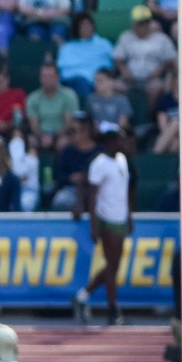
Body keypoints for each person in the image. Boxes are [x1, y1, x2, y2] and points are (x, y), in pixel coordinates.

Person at [70, 124, 131, 325]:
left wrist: (129, 216)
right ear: (110, 143)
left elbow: (124, 191)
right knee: (112, 265)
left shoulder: (122, 160)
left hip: (120, 217)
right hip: (106, 218)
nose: (123, 142)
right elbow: (92, 195)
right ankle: (113, 309)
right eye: (119, 139)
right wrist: (94, 225)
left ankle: (82, 296)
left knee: (113, 265)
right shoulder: (100, 164)